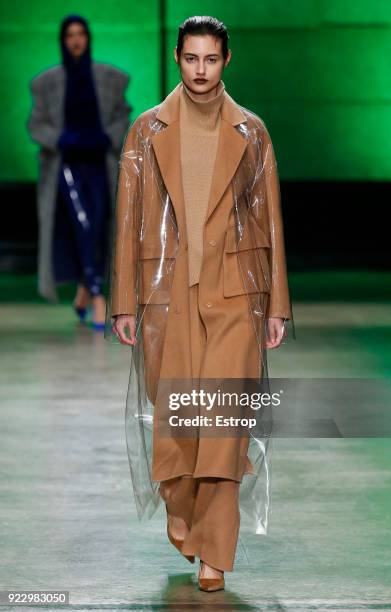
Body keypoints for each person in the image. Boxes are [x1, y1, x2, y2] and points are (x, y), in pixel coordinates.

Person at [106, 15, 294, 592]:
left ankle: (216, 551)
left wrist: (277, 305)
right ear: (176, 57)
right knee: (179, 426)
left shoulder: (251, 133)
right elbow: (129, 220)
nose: (201, 71)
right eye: (192, 59)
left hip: (237, 293)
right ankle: (183, 516)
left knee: (223, 428)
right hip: (165, 295)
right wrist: (124, 301)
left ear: (227, 60)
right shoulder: (145, 131)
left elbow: (270, 220)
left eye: (212, 59)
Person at [27, 14, 132, 328]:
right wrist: (59, 139)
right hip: (67, 166)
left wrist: (109, 138)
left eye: (81, 34)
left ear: (88, 38)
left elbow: (123, 116)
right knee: (83, 226)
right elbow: (36, 125)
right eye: (70, 34)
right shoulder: (46, 83)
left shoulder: (110, 78)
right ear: (63, 40)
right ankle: (99, 295)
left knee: (99, 226)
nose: (76, 40)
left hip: (100, 164)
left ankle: (86, 287)